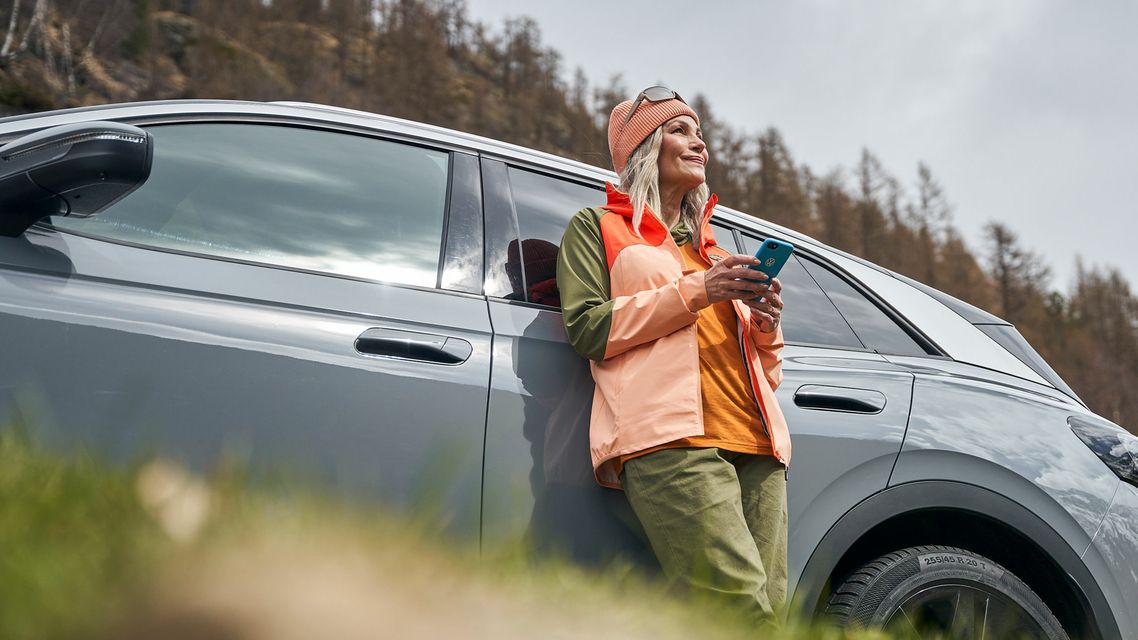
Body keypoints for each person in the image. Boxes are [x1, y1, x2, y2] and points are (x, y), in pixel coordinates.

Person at [555, 86, 792, 624]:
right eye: (680, 130)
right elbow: (588, 329)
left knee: (768, 619)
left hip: (759, 447)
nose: (698, 143)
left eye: (700, 133)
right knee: (741, 617)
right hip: (672, 443)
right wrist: (698, 292)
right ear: (643, 148)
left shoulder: (717, 252)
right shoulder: (598, 228)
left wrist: (763, 327)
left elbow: (767, 375)